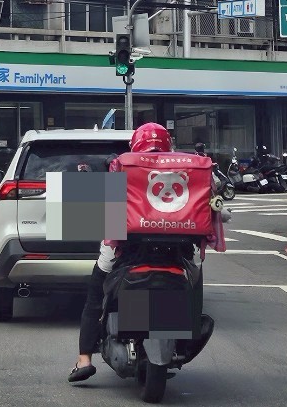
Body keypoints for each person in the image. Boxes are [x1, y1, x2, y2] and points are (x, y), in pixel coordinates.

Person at [69, 122, 229, 384]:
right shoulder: (190, 166)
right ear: (167, 143)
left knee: (96, 291)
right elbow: (209, 201)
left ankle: (84, 359)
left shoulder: (124, 164)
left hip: (127, 250)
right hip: (179, 253)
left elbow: (108, 208)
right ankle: (189, 328)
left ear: (136, 143)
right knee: (196, 280)